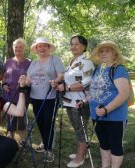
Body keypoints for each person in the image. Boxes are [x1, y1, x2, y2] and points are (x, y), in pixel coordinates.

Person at [55, 35, 94, 167]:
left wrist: (67, 87)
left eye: (77, 44)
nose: (73, 46)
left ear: (84, 46)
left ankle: (80, 157)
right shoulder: (72, 61)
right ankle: (83, 152)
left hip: (80, 101)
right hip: (69, 101)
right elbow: (69, 79)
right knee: (78, 127)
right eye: (72, 44)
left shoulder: (87, 62)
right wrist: (58, 83)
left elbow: (87, 81)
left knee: (80, 129)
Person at [89, 41, 129, 168]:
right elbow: (94, 91)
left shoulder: (118, 69)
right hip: (97, 115)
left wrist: (107, 109)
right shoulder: (98, 70)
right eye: (101, 51)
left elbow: (124, 94)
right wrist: (84, 101)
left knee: (115, 145)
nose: (103, 53)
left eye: (107, 51)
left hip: (115, 117)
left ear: (114, 53)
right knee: (104, 144)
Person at [25, 37, 65, 162]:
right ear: (36, 49)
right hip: (35, 97)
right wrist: (23, 82)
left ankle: (49, 149)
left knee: (48, 122)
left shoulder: (54, 59)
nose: (42, 48)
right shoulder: (34, 63)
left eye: (44, 46)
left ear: (48, 48)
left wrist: (56, 81)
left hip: (50, 97)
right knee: (40, 122)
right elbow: (28, 78)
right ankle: (45, 142)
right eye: (39, 46)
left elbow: (60, 75)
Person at [2, 38, 31, 145]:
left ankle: (22, 139)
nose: (18, 49)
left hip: (23, 95)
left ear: (24, 49)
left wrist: (25, 83)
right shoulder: (8, 62)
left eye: (20, 47)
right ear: (13, 48)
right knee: (10, 117)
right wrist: (4, 85)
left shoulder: (29, 63)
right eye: (16, 47)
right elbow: (4, 76)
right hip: (9, 94)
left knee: (21, 117)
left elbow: (31, 79)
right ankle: (11, 138)